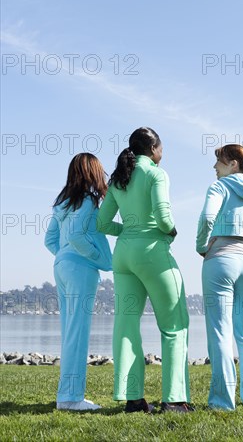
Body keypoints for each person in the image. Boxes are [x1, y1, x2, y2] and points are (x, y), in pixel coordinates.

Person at [97, 127, 191, 413]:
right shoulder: (156, 174)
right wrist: (172, 232)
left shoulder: (118, 180)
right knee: (175, 326)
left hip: (123, 256)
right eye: (162, 147)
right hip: (152, 253)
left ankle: (133, 400)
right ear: (154, 149)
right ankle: (174, 400)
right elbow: (164, 217)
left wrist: (128, 230)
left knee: (126, 325)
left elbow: (102, 223)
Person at [196, 144, 243, 410]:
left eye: (219, 162)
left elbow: (206, 218)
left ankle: (222, 402)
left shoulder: (219, 187)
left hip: (220, 259)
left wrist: (202, 246)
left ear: (233, 165)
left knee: (220, 331)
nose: (215, 167)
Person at [45, 153, 113, 411]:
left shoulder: (62, 203)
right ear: (92, 173)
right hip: (80, 269)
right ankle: (71, 399)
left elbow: (50, 240)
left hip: (62, 267)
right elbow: (76, 235)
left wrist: (65, 256)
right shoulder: (86, 201)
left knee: (69, 331)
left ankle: (67, 395)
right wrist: (95, 259)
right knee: (78, 332)